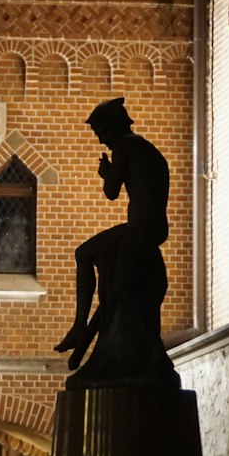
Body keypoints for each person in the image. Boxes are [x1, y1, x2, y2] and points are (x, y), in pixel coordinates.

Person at [55, 97, 176, 385]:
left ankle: (80, 327)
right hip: (152, 227)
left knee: (86, 256)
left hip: (141, 228)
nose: (101, 141)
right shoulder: (143, 147)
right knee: (117, 287)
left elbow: (111, 192)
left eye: (100, 133)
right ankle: (82, 336)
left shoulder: (125, 146)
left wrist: (106, 173)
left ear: (111, 127)